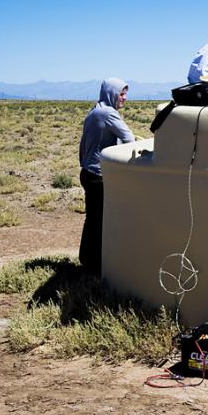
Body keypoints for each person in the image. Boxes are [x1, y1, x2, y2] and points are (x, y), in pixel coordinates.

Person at [78, 78, 135, 275]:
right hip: (99, 176)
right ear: (111, 93)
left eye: (125, 93)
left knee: (93, 219)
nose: (124, 98)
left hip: (88, 172)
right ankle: (96, 267)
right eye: (121, 93)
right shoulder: (108, 113)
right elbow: (129, 138)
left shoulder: (95, 109)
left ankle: (87, 261)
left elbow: (84, 143)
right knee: (101, 221)